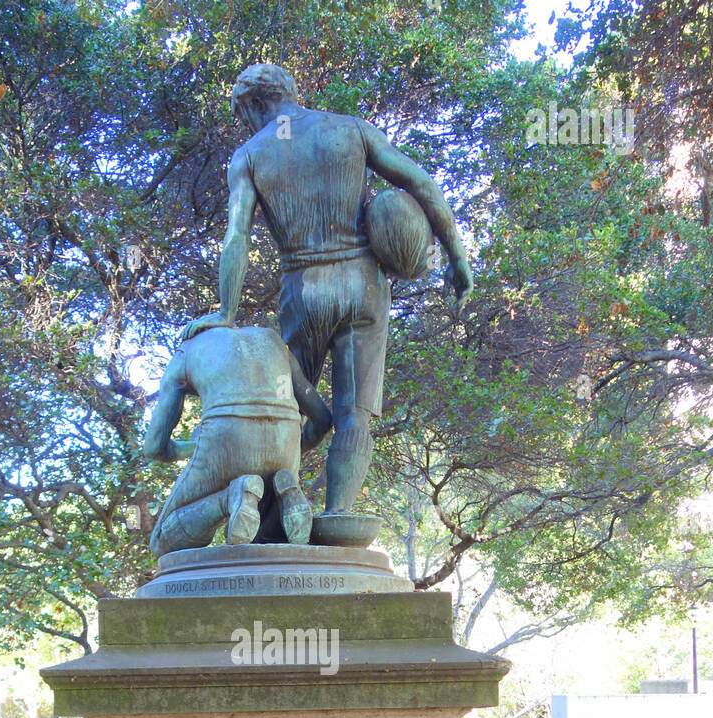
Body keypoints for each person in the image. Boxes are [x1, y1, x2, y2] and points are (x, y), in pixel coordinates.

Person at [184, 63, 473, 516]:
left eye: (246, 116)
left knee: (280, 408)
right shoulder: (351, 130)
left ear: (257, 104)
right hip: (364, 288)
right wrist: (456, 255)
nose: (248, 126)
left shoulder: (250, 155)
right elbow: (420, 182)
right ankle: (337, 515)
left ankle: (269, 505)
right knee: (353, 415)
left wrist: (226, 312)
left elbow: (236, 237)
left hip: (304, 291)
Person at [145, 323, 332, 557]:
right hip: (284, 445)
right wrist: (293, 449)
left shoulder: (186, 351)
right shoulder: (273, 342)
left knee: (162, 542)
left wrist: (191, 447)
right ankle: (288, 490)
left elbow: (154, 448)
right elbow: (323, 420)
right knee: (269, 533)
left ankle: (229, 497)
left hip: (226, 438)